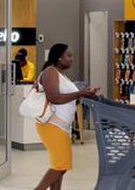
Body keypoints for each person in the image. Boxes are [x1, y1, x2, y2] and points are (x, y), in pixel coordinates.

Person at [34, 43, 99, 190]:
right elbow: (54, 97)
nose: (72, 59)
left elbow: (68, 98)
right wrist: (80, 93)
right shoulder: (50, 72)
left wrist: (85, 94)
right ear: (59, 57)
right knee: (62, 165)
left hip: (61, 127)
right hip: (52, 126)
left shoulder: (61, 75)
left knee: (58, 165)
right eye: (69, 56)